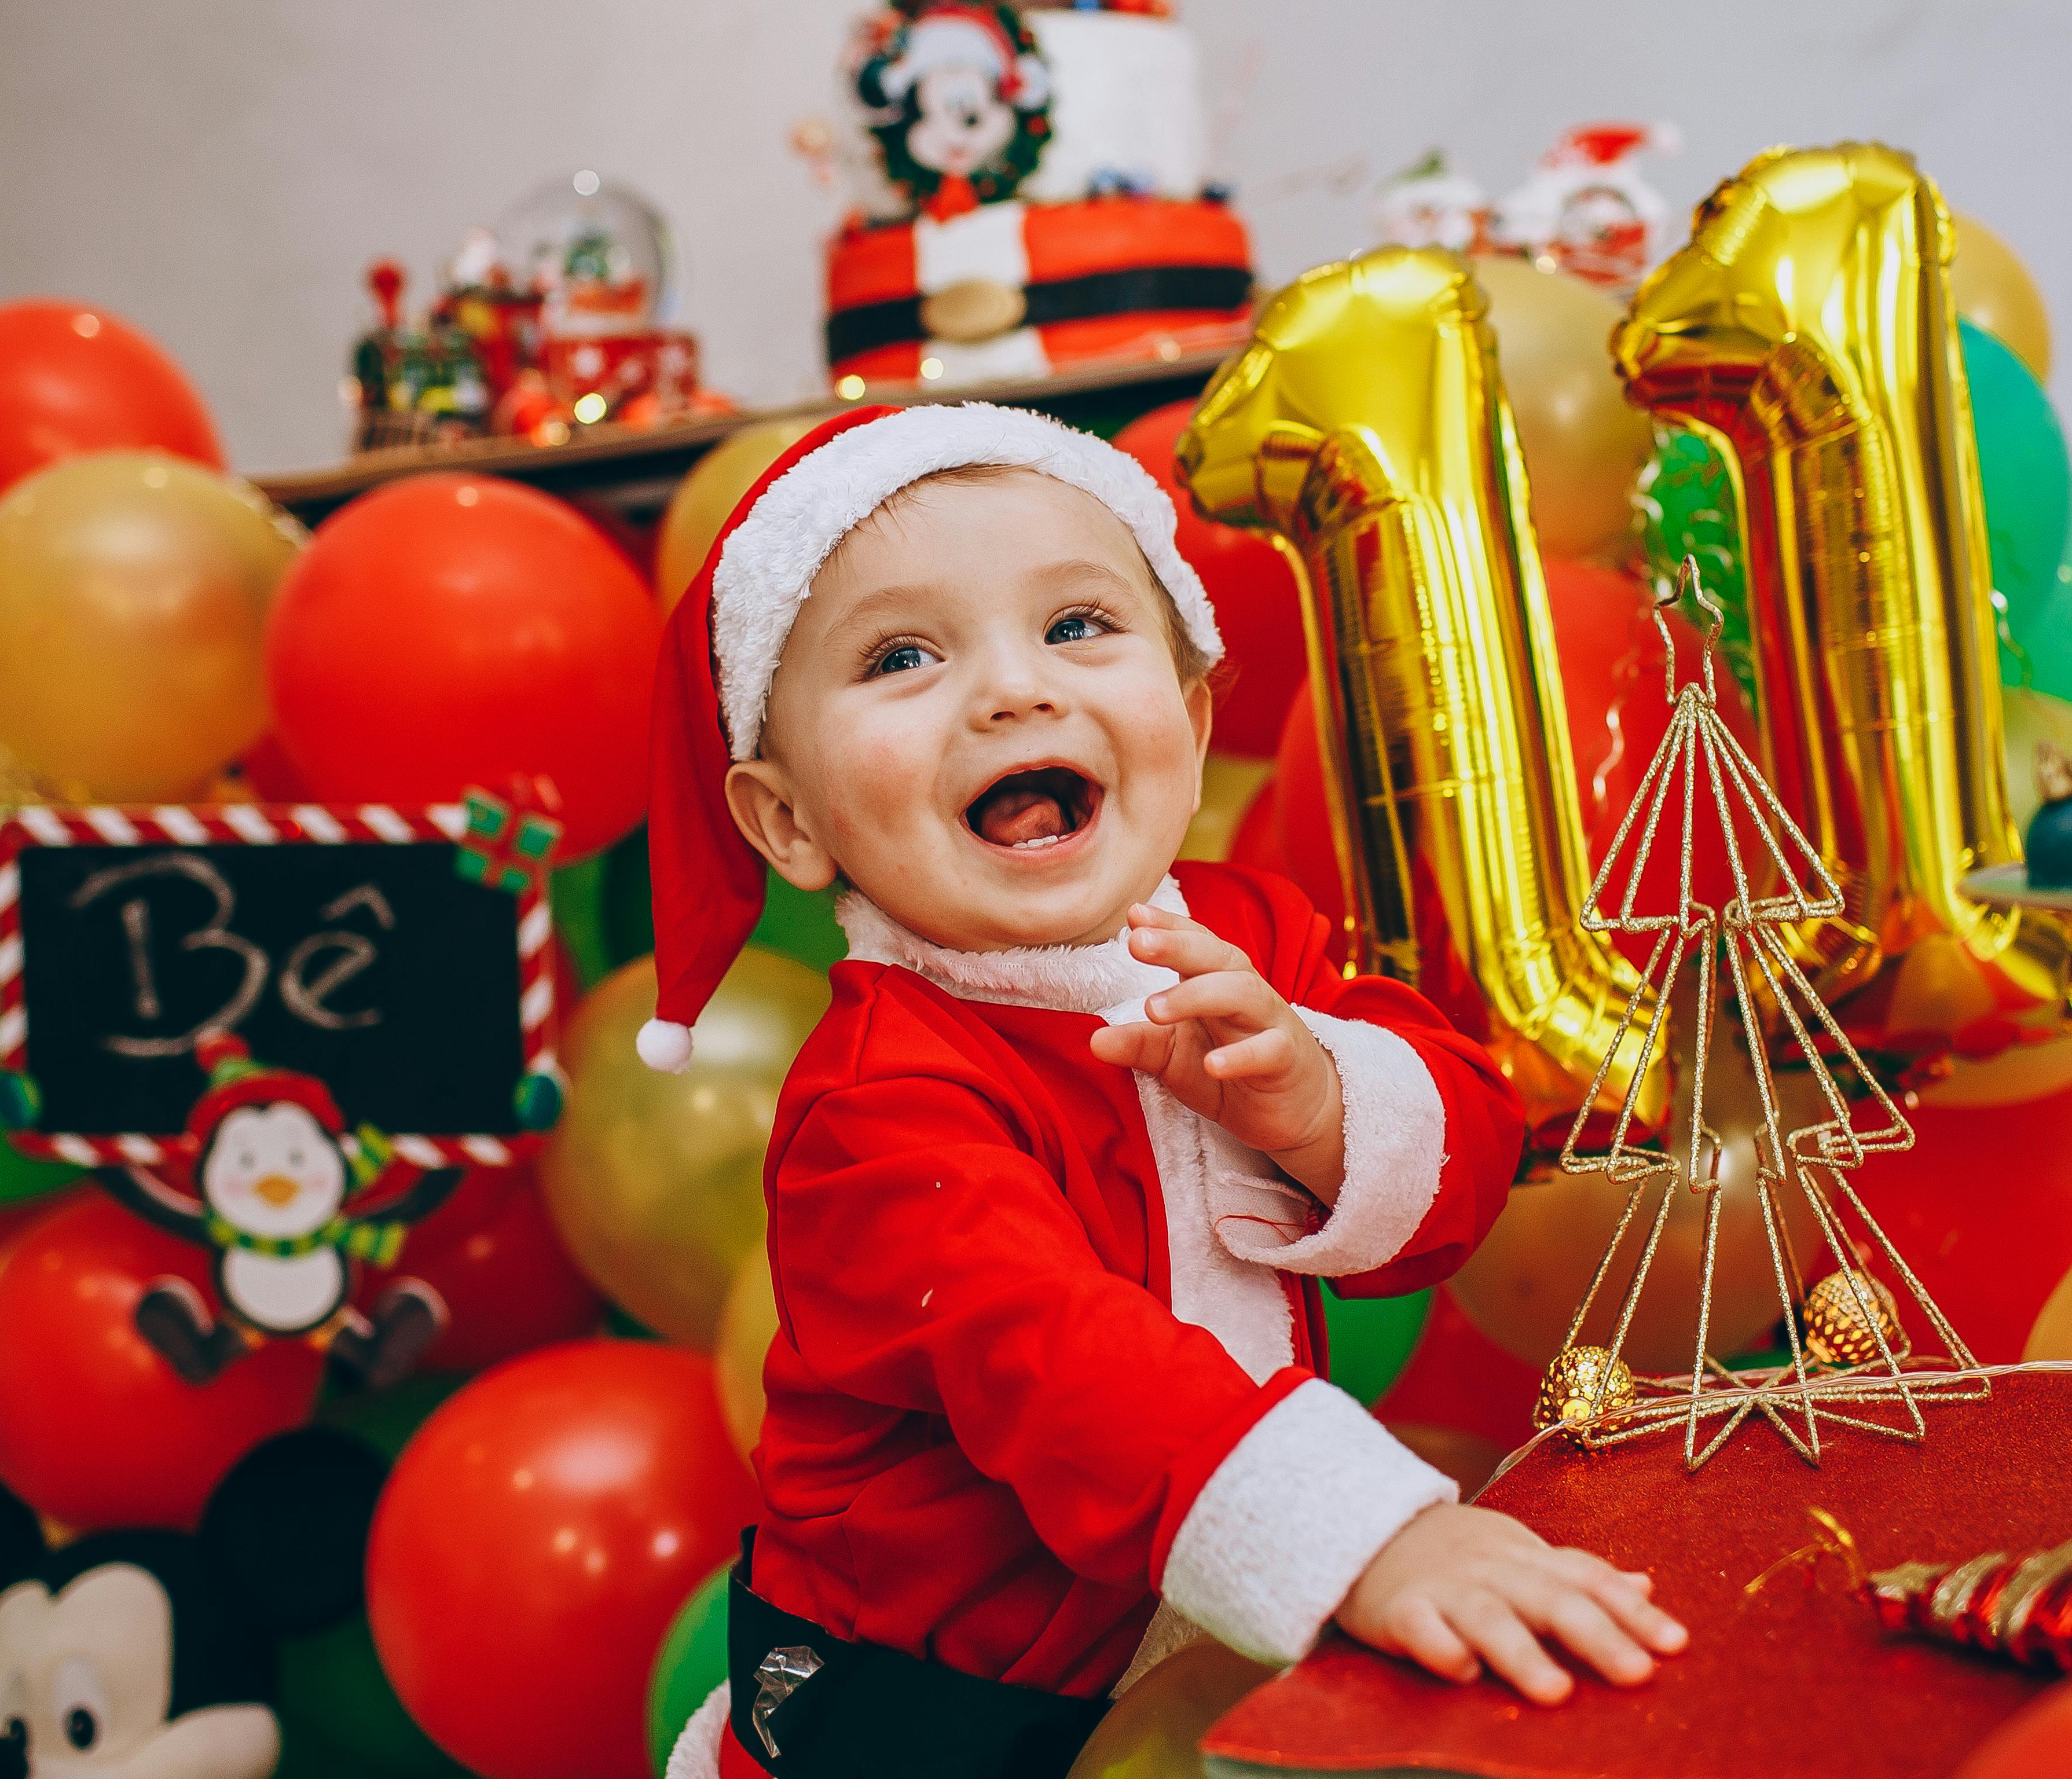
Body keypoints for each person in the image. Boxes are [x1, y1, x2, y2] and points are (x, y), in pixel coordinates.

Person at [643, 405, 1685, 1778]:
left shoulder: (1253, 934)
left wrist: (1318, 1101)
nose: (1016, 691)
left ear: (1189, 721)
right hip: (940, 1713)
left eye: (1077, 626)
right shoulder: (875, 1102)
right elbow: (1060, 1362)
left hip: (1195, 1652)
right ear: (787, 821)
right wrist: (1361, 1538)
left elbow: (1465, 1151)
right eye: (902, 656)